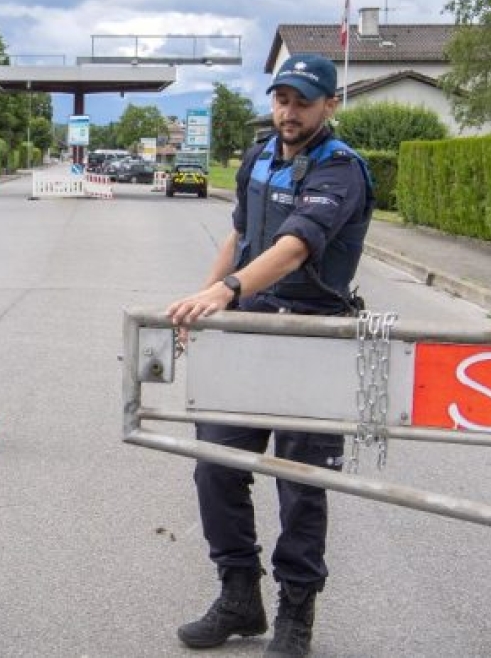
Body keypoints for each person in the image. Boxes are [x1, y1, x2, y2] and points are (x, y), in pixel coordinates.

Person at [166, 54, 372, 657]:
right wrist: (210, 298)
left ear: (329, 105)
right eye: (282, 99)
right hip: (248, 336)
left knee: (299, 484)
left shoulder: (341, 171)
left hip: (310, 341)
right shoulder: (259, 156)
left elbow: (292, 248)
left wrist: (226, 292)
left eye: (303, 101)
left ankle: (296, 615)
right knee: (214, 463)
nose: (289, 111)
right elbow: (240, 236)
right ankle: (239, 596)